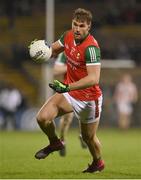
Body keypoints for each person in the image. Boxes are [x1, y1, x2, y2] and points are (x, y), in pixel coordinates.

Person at [31, 8, 105, 173]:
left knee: (88, 137)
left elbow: (94, 79)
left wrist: (67, 86)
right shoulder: (68, 36)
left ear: (89, 27)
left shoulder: (91, 48)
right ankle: (55, 142)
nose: (77, 29)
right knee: (42, 118)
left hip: (88, 98)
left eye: (81, 26)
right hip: (69, 93)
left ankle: (97, 162)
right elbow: (53, 50)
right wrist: (40, 51)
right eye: (75, 24)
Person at [53, 52, 87, 156]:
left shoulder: (88, 51)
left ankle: (83, 136)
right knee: (67, 118)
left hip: (84, 87)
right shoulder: (64, 54)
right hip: (68, 88)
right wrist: (71, 66)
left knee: (85, 116)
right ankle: (62, 140)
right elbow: (56, 70)